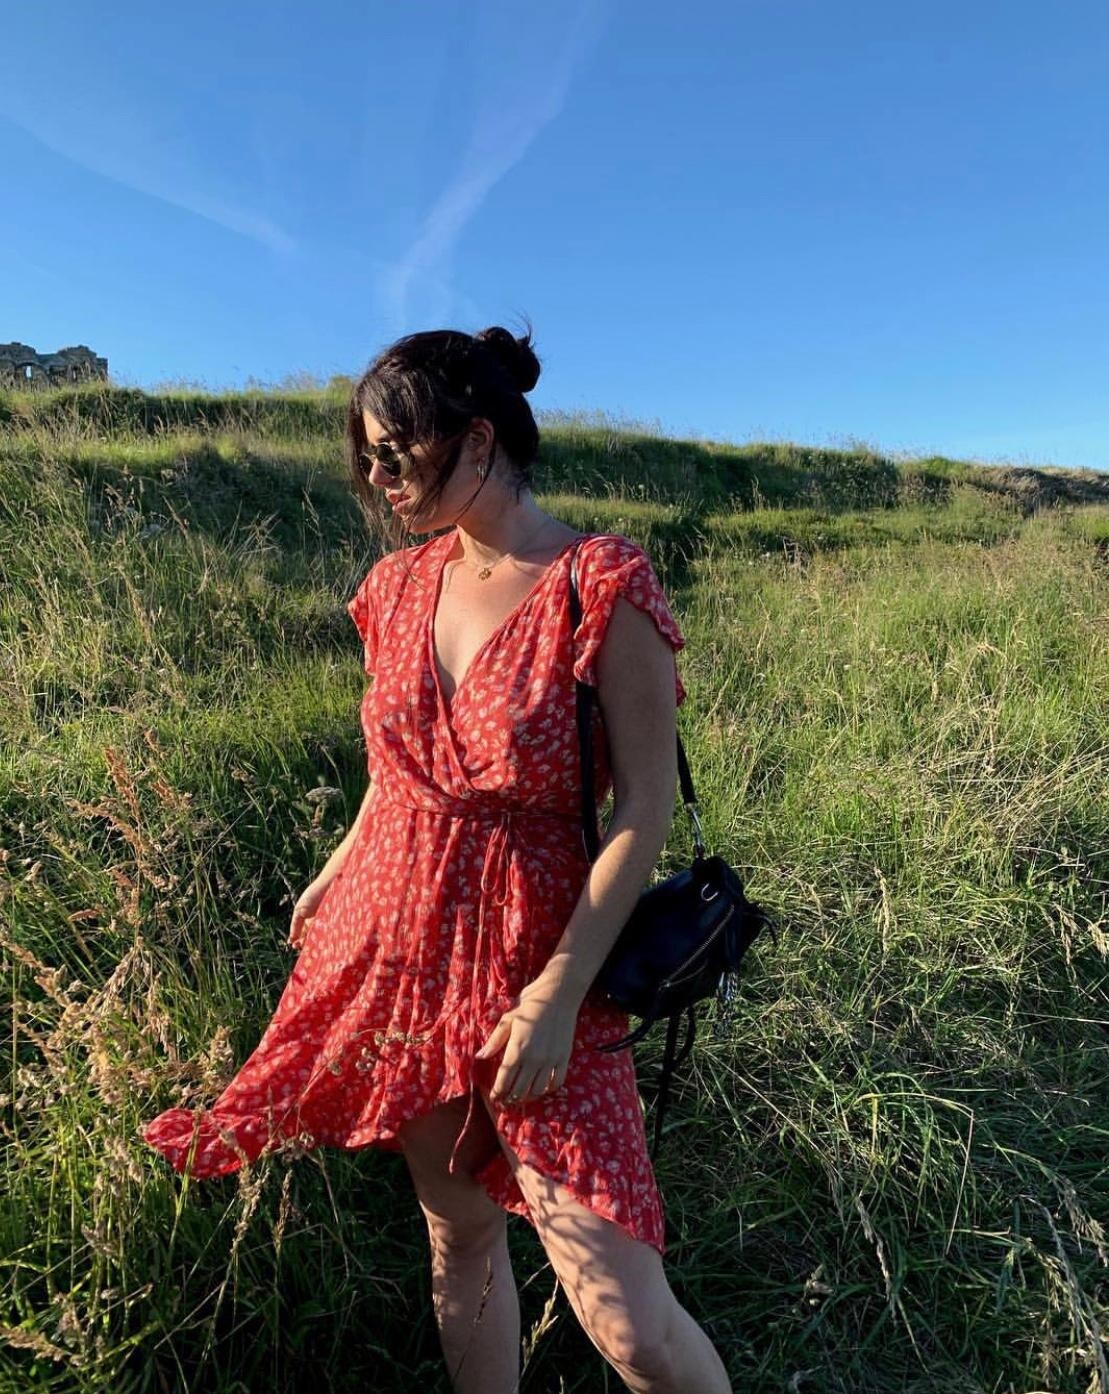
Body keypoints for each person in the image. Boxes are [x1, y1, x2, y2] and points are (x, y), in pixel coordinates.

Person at [143, 324, 732, 1394]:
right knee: (458, 1238)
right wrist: (340, 863)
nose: (375, 475)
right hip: (399, 942)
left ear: (476, 437)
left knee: (630, 1321)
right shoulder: (396, 587)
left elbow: (642, 811)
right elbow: (396, 764)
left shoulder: (598, 581)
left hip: (537, 955)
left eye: (395, 451)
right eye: (365, 455)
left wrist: (555, 997)